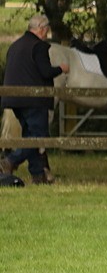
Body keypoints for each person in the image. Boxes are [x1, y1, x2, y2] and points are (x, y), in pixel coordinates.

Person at [0, 14, 69, 184]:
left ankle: (38, 175)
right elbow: (45, 71)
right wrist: (61, 68)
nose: (47, 33)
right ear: (41, 28)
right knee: (38, 137)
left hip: (14, 99)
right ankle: (10, 160)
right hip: (34, 100)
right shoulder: (39, 47)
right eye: (46, 30)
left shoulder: (15, 46)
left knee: (30, 135)